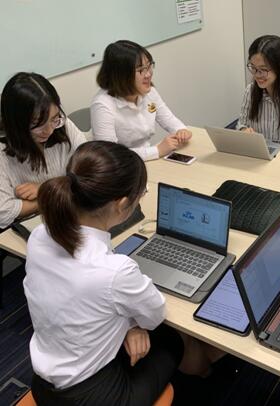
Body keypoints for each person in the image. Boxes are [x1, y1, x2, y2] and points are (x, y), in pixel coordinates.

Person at [23, 141, 214, 405]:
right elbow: (155, 315)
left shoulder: (39, 236)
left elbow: (82, 299)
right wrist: (134, 324)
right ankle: (210, 379)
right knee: (176, 336)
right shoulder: (115, 270)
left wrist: (130, 327)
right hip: (96, 397)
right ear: (122, 204)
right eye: (141, 194)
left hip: (44, 384)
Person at [0, 72, 86, 229]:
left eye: (54, 118)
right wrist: (54, 193)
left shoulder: (63, 126)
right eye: (37, 124)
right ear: (16, 122)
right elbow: (4, 212)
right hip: (27, 229)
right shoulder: (2, 151)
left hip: (69, 216)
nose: (48, 130)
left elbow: (90, 170)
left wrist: (45, 188)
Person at [91, 40, 192, 161]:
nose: (148, 74)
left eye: (149, 66)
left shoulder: (149, 92)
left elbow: (168, 119)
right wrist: (157, 150)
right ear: (121, 75)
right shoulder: (102, 105)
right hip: (122, 167)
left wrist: (181, 130)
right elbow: (109, 156)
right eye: (141, 70)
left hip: (147, 160)